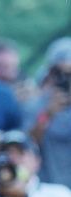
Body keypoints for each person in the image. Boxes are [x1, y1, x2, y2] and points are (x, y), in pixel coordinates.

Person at [25, 38, 71, 189]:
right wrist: (48, 114)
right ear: (50, 73)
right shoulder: (36, 106)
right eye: (61, 73)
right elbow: (28, 144)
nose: (66, 79)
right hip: (49, 190)